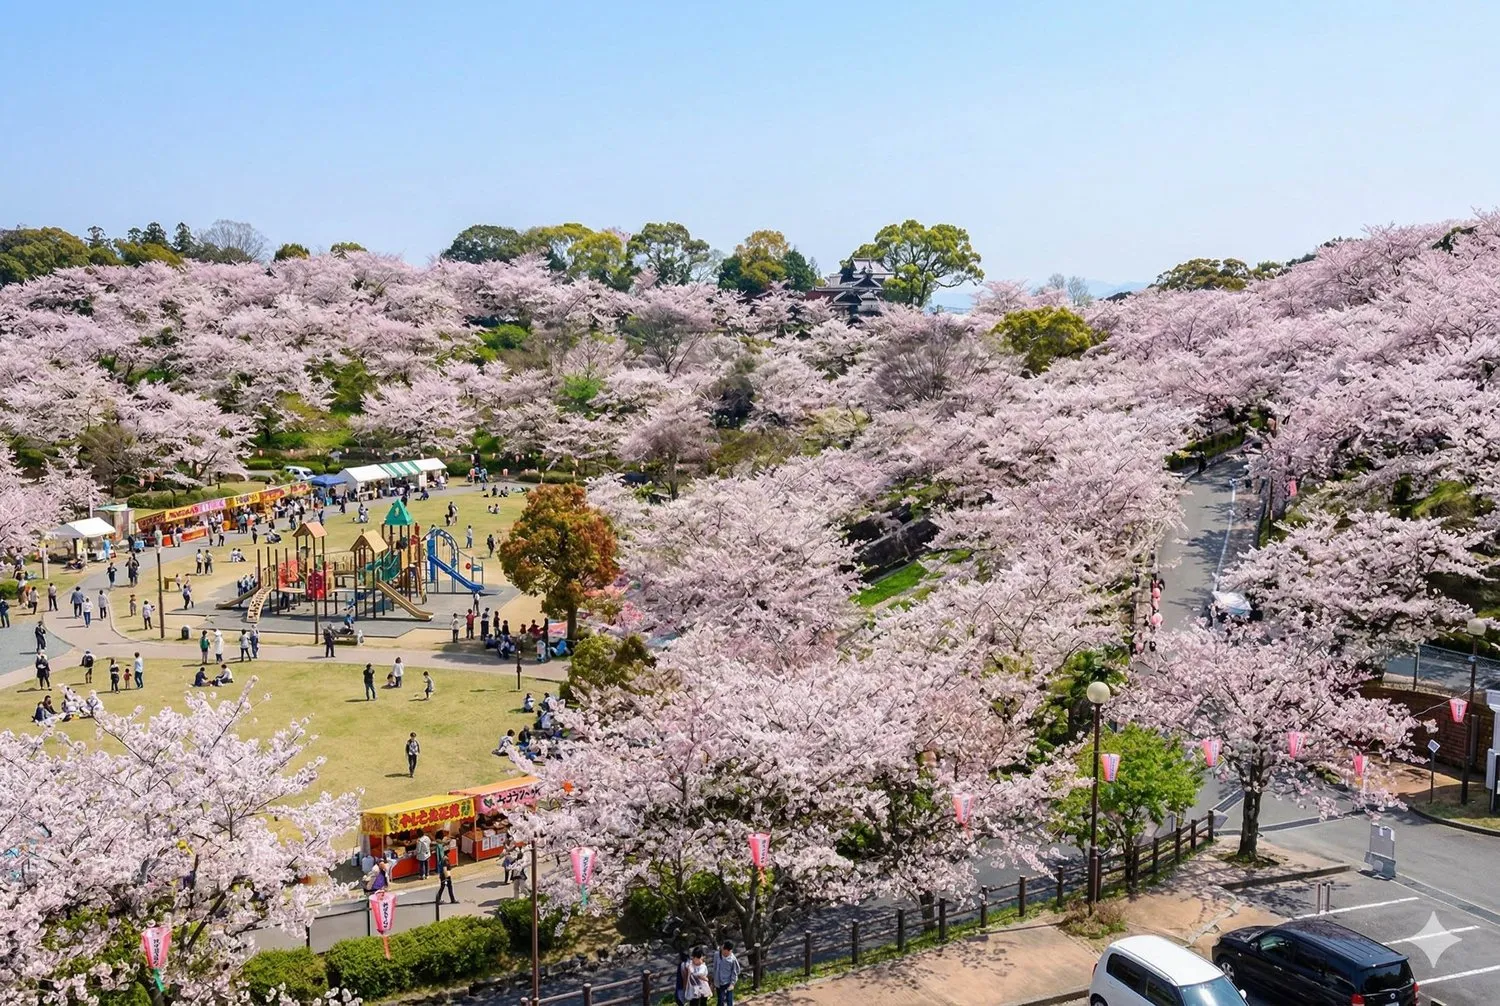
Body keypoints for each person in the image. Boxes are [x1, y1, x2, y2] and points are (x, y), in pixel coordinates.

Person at [434, 830, 456, 904]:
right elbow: (441, 858)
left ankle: (439, 898)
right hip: (444, 868)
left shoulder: (439, 844)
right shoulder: (440, 846)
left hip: (443, 867)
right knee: (448, 883)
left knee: (444, 885)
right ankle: (452, 899)